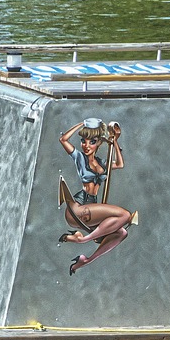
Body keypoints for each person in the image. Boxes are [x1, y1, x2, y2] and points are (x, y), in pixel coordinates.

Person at [58, 118, 136, 275]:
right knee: (125, 215)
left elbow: (120, 164)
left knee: (121, 233)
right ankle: (82, 239)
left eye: (92, 142)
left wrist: (114, 141)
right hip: (78, 209)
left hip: (90, 211)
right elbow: (63, 139)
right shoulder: (80, 158)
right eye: (83, 141)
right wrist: (82, 123)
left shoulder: (101, 163)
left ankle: (84, 261)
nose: (86, 146)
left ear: (99, 143)